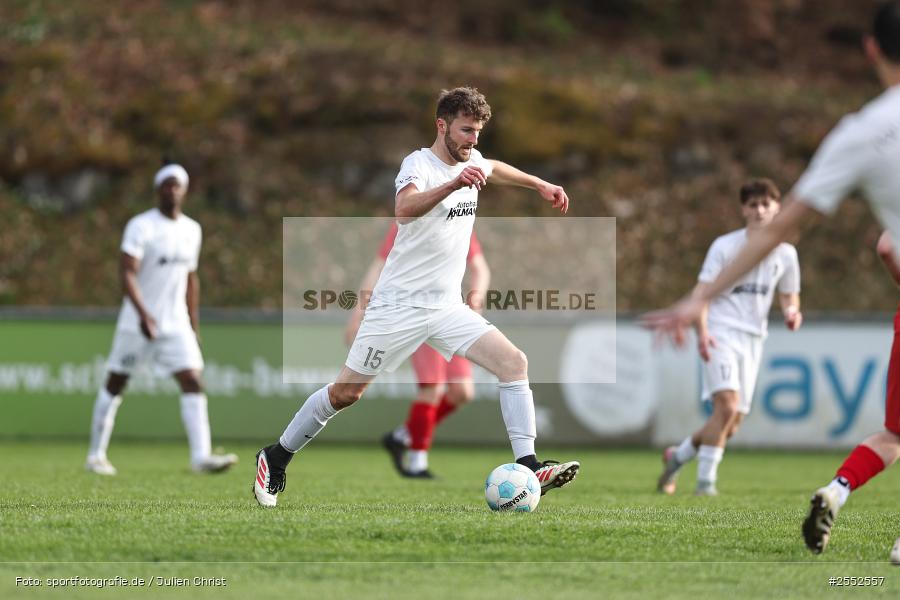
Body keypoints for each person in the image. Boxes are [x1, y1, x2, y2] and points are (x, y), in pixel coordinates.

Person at [642, 0, 900, 559]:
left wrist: (696, 300)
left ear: (872, 49)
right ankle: (701, 479)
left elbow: (786, 234)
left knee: (893, 434)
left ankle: (827, 487)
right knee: (729, 411)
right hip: (729, 335)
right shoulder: (724, 244)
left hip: (761, 335)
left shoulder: (864, 133)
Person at [254, 86, 580, 507]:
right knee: (345, 394)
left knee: (513, 362)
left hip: (446, 307)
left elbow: (494, 167)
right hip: (397, 307)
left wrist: (540, 184)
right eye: (466, 130)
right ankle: (275, 456)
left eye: (478, 131)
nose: (473, 141)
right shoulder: (418, 164)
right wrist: (451, 185)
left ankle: (530, 463)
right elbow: (403, 210)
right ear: (441, 126)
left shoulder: (475, 159)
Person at [85, 163, 237, 475]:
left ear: (185, 190)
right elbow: (127, 272)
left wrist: (193, 324)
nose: (172, 190)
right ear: (158, 190)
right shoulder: (141, 226)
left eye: (177, 185)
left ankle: (201, 457)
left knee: (193, 380)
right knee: (116, 381)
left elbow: (190, 279)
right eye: (166, 184)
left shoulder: (192, 229)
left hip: (176, 323)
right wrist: (144, 314)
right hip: (137, 321)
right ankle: (95, 455)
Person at [655, 179, 802, 497]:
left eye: (766, 204)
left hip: (753, 339)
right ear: (743, 210)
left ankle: (677, 456)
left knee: (731, 423)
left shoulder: (787, 254)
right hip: (721, 331)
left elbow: (790, 296)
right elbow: (702, 293)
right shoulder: (725, 245)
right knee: (727, 406)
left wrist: (792, 312)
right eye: (753, 204)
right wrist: (703, 332)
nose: (760, 210)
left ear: (777, 207)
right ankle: (706, 484)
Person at [344, 223, 490, 478]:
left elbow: (480, 268)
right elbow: (377, 269)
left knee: (462, 392)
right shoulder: (408, 221)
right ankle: (417, 462)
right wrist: (358, 314)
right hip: (415, 313)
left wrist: (475, 303)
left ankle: (402, 436)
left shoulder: (459, 217)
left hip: (450, 314)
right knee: (431, 388)